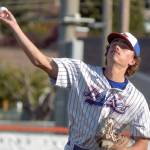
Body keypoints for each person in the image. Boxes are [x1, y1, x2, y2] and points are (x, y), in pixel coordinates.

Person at [0, 8, 150, 150]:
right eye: (114, 42)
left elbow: (143, 142)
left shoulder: (136, 100)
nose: (117, 46)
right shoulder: (81, 72)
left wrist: (123, 149)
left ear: (133, 60)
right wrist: (14, 26)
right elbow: (41, 61)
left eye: (124, 45)